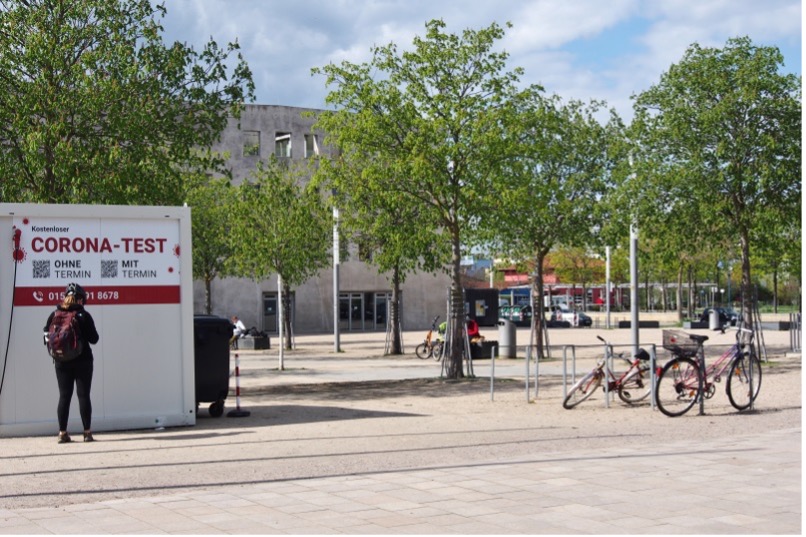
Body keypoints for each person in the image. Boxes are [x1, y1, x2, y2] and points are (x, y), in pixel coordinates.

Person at [44, 283, 99, 444]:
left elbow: (46, 337)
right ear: (81, 299)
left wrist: (60, 348)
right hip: (83, 361)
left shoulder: (54, 314)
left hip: (61, 362)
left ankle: (62, 433)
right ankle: (87, 433)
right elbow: (94, 339)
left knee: (64, 396)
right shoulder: (83, 315)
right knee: (83, 395)